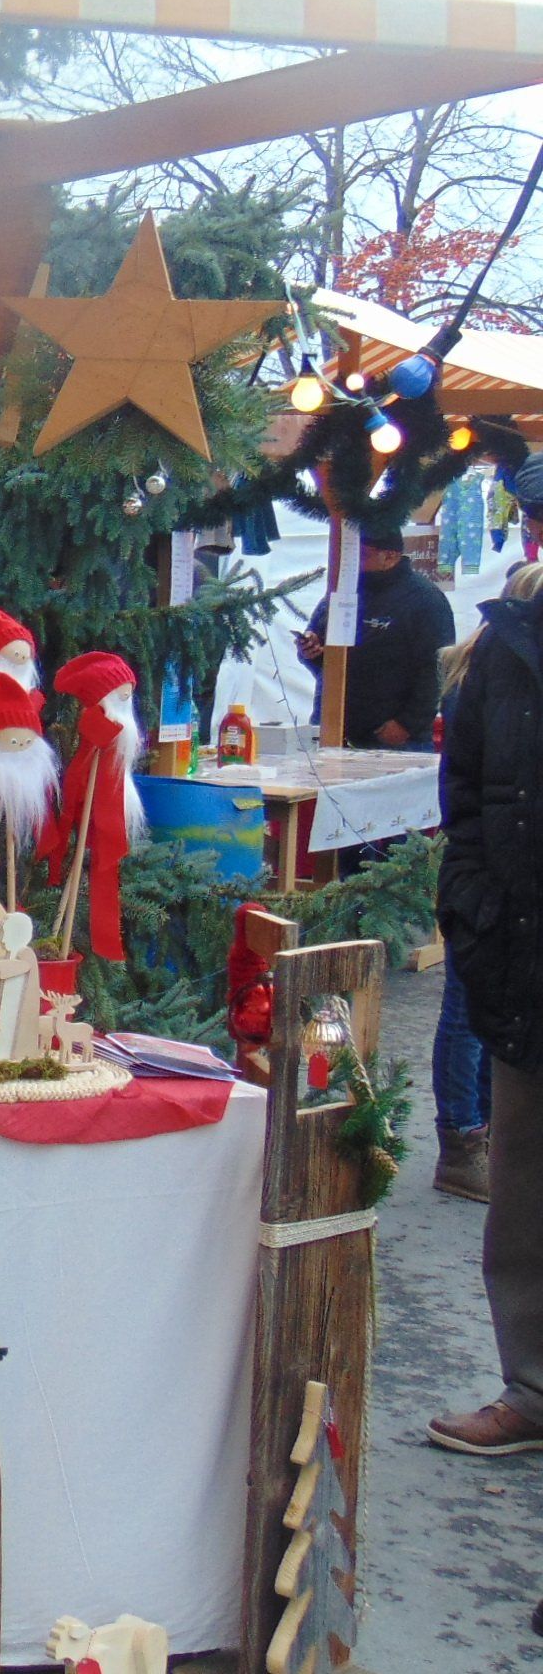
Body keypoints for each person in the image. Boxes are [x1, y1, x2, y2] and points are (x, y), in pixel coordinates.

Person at [429, 463, 543, 1457]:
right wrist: (472, 902)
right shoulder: (504, 649)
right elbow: (463, 787)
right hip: (525, 950)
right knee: (524, 1193)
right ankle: (532, 1390)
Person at [427, 563, 543, 1203]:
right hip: (501, 907)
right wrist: (470, 893)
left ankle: (477, 1132)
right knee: (467, 1012)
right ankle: (463, 1134)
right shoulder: (496, 659)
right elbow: (465, 792)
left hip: (505, 908)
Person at [294, 528, 454, 749]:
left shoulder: (424, 600)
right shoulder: (342, 591)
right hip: (331, 729)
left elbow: (438, 667)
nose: (353, 562)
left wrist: (408, 724)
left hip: (391, 739)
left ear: (390, 557)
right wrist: (310, 650)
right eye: (348, 554)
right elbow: (321, 650)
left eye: (361, 555)